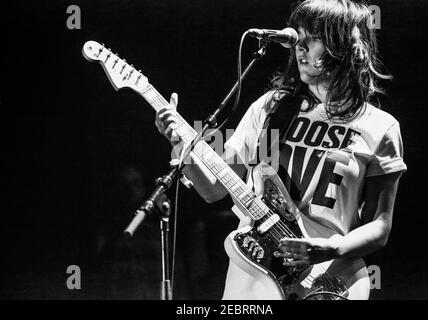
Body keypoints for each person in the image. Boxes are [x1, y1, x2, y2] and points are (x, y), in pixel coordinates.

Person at [155, 0, 407, 299]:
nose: (299, 48)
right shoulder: (270, 107)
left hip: (328, 278)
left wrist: (331, 248)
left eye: (312, 39)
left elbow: (380, 225)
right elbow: (213, 190)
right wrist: (181, 146)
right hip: (254, 272)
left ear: (346, 46)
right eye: (297, 38)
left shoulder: (379, 126)